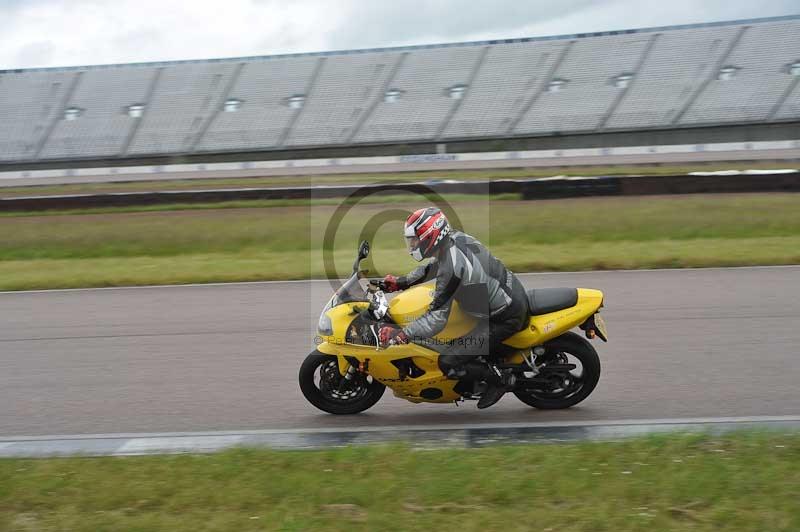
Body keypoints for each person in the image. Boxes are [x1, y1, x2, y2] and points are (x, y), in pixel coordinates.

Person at [378, 207, 529, 409]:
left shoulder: (452, 269)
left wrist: (403, 335)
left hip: (504, 316)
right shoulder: (455, 239)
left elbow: (437, 318)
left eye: (414, 239)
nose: (412, 244)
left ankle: (499, 379)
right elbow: (433, 267)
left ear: (430, 235)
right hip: (506, 294)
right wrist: (401, 282)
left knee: (448, 361)